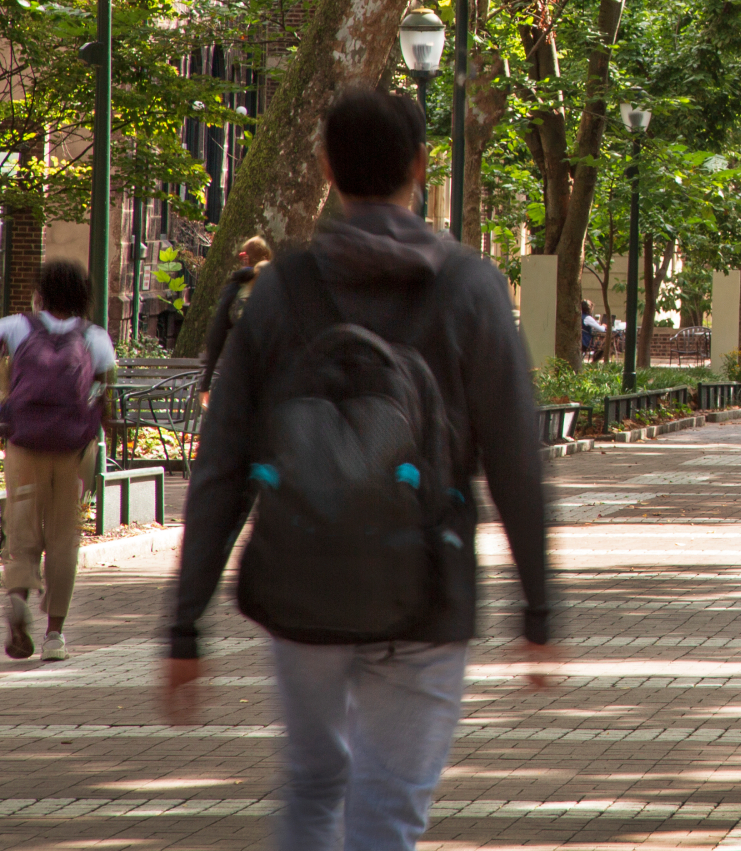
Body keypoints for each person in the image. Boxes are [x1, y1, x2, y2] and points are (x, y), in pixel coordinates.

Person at [162, 85, 556, 851]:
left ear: (325, 167)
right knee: (389, 810)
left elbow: (222, 464)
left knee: (313, 786)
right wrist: (539, 613)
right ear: (420, 164)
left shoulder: (280, 291)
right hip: (430, 593)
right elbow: (516, 458)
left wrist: (184, 622)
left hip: (300, 585)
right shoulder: (471, 288)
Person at [0, 258, 116, 661]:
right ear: (81, 296)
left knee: (22, 530)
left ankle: (18, 598)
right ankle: (54, 636)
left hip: (24, 442)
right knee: (63, 538)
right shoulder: (94, 336)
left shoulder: (16, 326)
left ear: (41, 293)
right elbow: (104, 394)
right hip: (73, 450)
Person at [200, 236, 272, 403]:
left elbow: (216, 337)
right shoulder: (280, 288)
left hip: (239, 373)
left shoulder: (235, 289)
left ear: (245, 258)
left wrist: (205, 384)